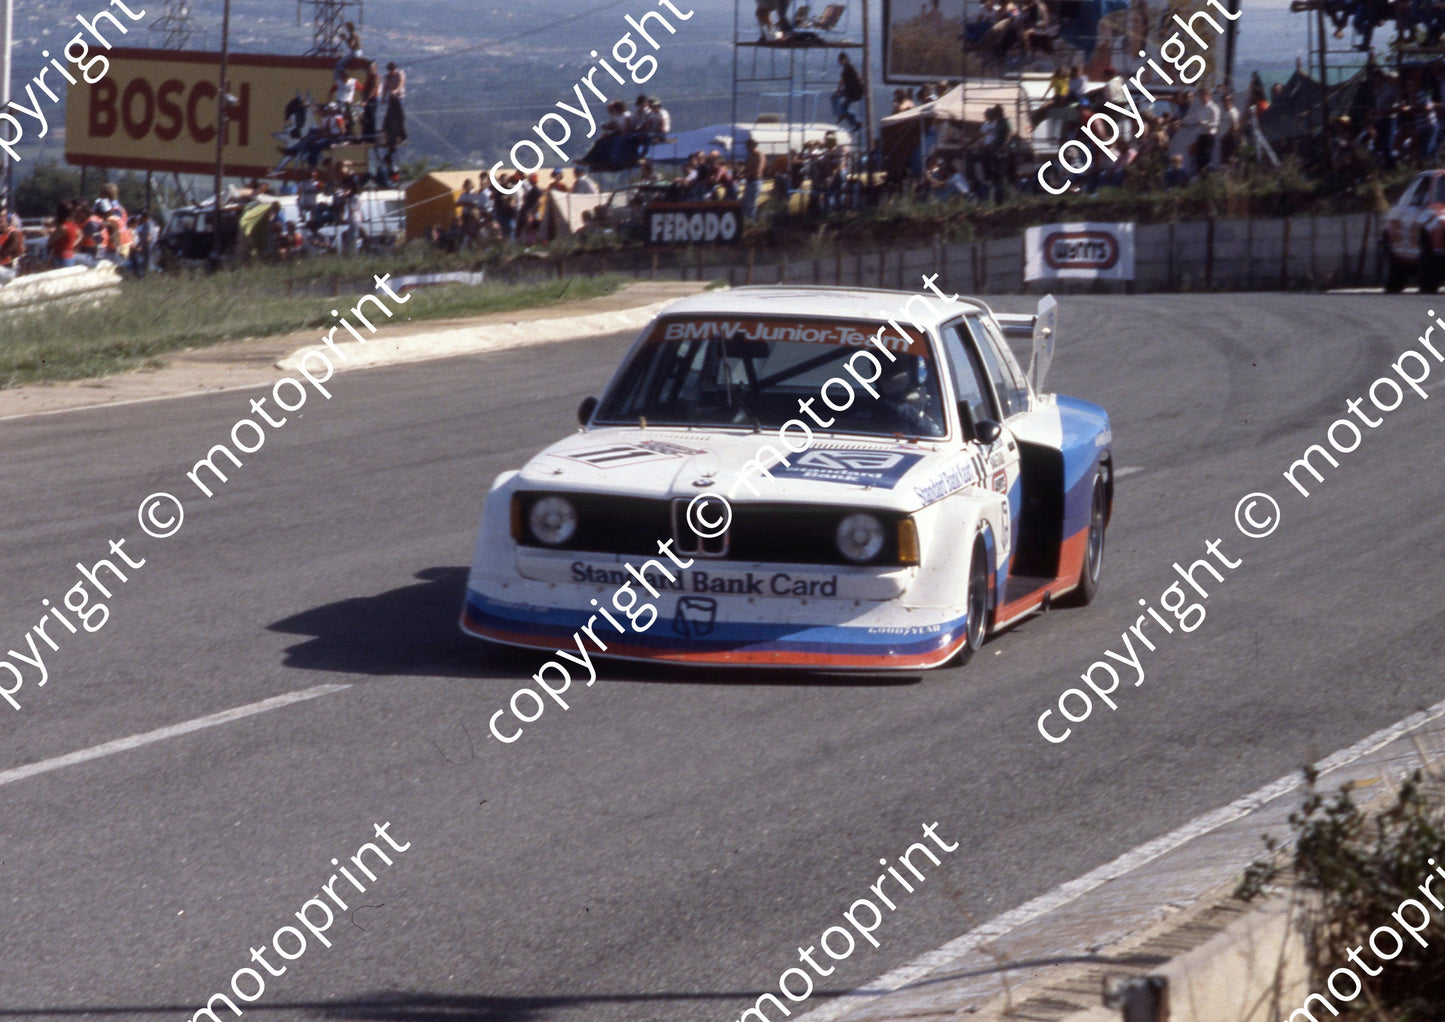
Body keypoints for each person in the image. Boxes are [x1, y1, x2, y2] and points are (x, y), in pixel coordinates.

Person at [833, 52, 865, 132]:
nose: (840, 62)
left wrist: (838, 91)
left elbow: (842, 81)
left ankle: (841, 114)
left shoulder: (848, 67)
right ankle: (856, 123)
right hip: (854, 91)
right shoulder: (850, 67)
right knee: (844, 107)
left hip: (852, 91)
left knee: (835, 99)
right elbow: (859, 78)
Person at [383, 61, 407, 149]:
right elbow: (386, 86)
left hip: (399, 97)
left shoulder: (400, 73)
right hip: (391, 98)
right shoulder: (388, 76)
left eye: (393, 69)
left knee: (399, 117)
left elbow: (401, 82)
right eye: (390, 70)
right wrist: (383, 97)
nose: (392, 71)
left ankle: (401, 135)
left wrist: (396, 90)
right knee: (390, 118)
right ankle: (391, 136)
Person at [49, 201, 79, 268]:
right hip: (70, 256)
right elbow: (80, 235)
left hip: (60, 257)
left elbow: (51, 241)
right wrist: (72, 244)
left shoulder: (63, 228)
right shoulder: (74, 226)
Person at [742, 137, 766, 218]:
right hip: (749, 181)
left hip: (756, 181)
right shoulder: (750, 156)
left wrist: (747, 174)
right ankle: (747, 219)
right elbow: (746, 168)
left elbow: (758, 170)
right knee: (746, 202)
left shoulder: (759, 156)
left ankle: (752, 221)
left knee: (752, 203)